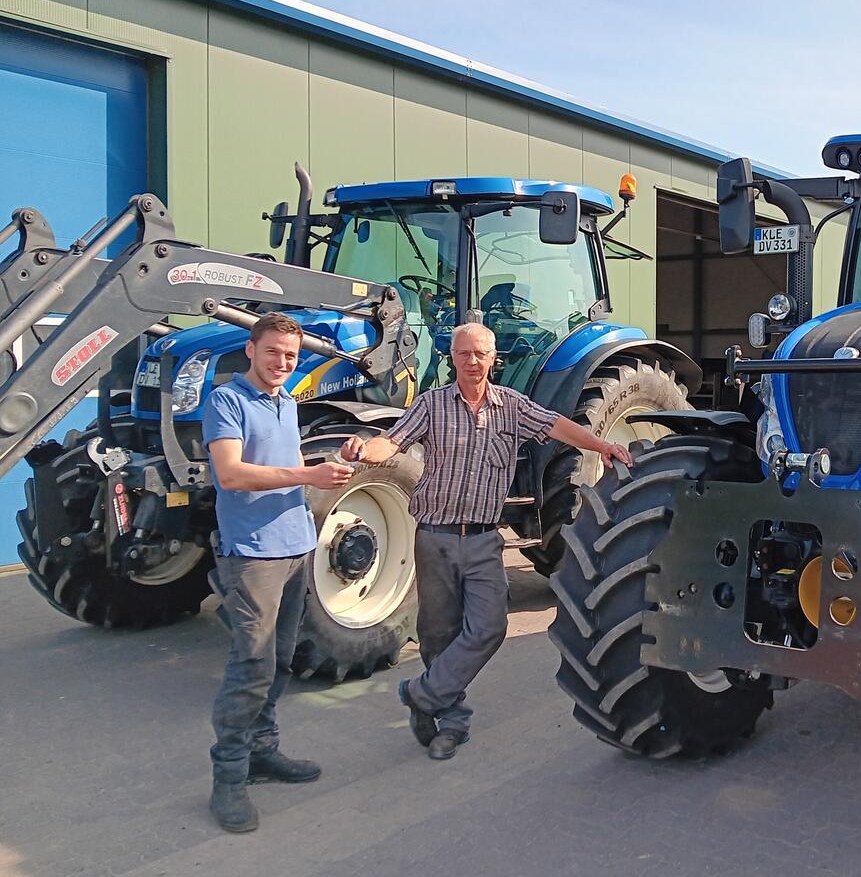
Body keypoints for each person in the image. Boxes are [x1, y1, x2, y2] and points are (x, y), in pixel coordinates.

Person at [339, 322, 633, 760]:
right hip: (435, 538)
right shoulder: (432, 404)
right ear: (452, 358)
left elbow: (556, 426)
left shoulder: (511, 406)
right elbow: (392, 442)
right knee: (438, 636)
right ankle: (451, 721)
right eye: (463, 354)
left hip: (482, 540)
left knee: (490, 627)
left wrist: (601, 445)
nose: (472, 362)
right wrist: (363, 450)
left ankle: (422, 693)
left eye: (480, 354)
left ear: (494, 358)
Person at [202, 312, 355, 832]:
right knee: (251, 665)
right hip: (252, 553)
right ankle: (229, 778)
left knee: (282, 661)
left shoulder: (287, 402)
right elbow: (231, 473)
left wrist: (332, 462)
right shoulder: (227, 401)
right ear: (251, 349)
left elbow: (284, 466)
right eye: (273, 353)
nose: (282, 363)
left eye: (290, 356)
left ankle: (263, 751)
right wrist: (308, 473)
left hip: (295, 547)